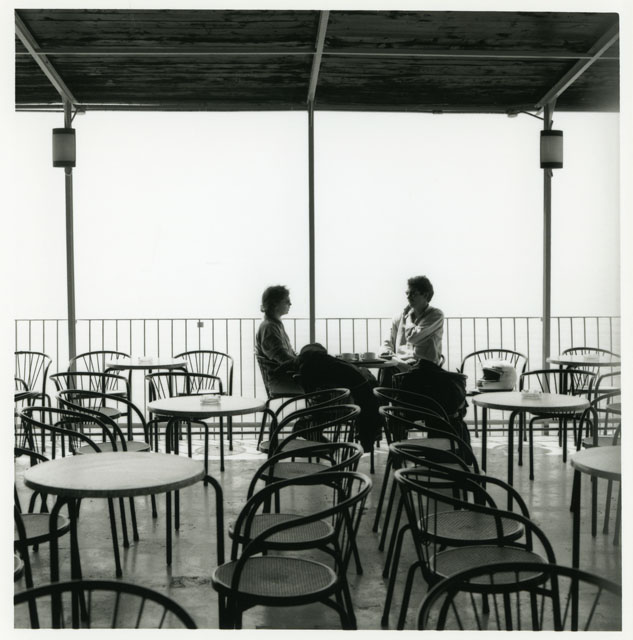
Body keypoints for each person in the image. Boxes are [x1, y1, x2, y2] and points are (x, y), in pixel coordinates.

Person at [381, 275, 444, 370]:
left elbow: (412, 337)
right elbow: (386, 343)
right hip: (400, 365)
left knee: (389, 369)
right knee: (381, 367)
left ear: (425, 295)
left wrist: (408, 316)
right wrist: (387, 352)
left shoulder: (435, 315)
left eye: (413, 293)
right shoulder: (399, 318)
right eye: (407, 293)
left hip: (424, 369)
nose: (408, 297)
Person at [255, 285, 304, 396]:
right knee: (328, 381)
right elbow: (282, 358)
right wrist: (304, 362)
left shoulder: (275, 325)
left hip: (285, 377)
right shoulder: (269, 328)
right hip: (282, 381)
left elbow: (286, 355)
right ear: (275, 304)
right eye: (286, 301)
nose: (290, 304)